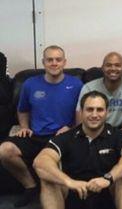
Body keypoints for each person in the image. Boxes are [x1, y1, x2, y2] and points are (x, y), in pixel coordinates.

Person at [0, 45, 82, 207]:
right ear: (43, 62)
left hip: (61, 136)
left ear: (64, 62)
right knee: (5, 150)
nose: (54, 63)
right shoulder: (30, 84)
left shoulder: (76, 84)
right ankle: (30, 186)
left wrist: (70, 128)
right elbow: (22, 110)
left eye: (58, 60)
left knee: (51, 169)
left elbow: (81, 115)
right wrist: (24, 126)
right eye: (49, 60)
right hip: (35, 135)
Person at [33, 91, 122, 209]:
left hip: (107, 190)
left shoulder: (118, 136)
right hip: (74, 192)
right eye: (89, 109)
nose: (94, 115)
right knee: (49, 179)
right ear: (81, 112)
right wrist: (69, 182)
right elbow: (40, 163)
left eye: (99, 110)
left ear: (107, 112)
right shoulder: (66, 137)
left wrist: (109, 178)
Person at [77, 52, 122, 147]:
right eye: (108, 65)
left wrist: (114, 136)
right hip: (96, 128)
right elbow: (80, 119)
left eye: (117, 65)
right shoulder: (89, 88)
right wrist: (98, 134)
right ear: (102, 68)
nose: (113, 69)